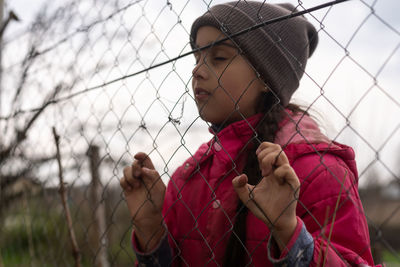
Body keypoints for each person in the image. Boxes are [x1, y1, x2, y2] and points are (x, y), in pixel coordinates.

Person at [120, 1, 378, 266]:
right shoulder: (187, 178)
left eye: (218, 57)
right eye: (197, 56)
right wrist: (151, 231)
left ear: (266, 77)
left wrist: (290, 233)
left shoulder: (318, 171)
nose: (196, 69)